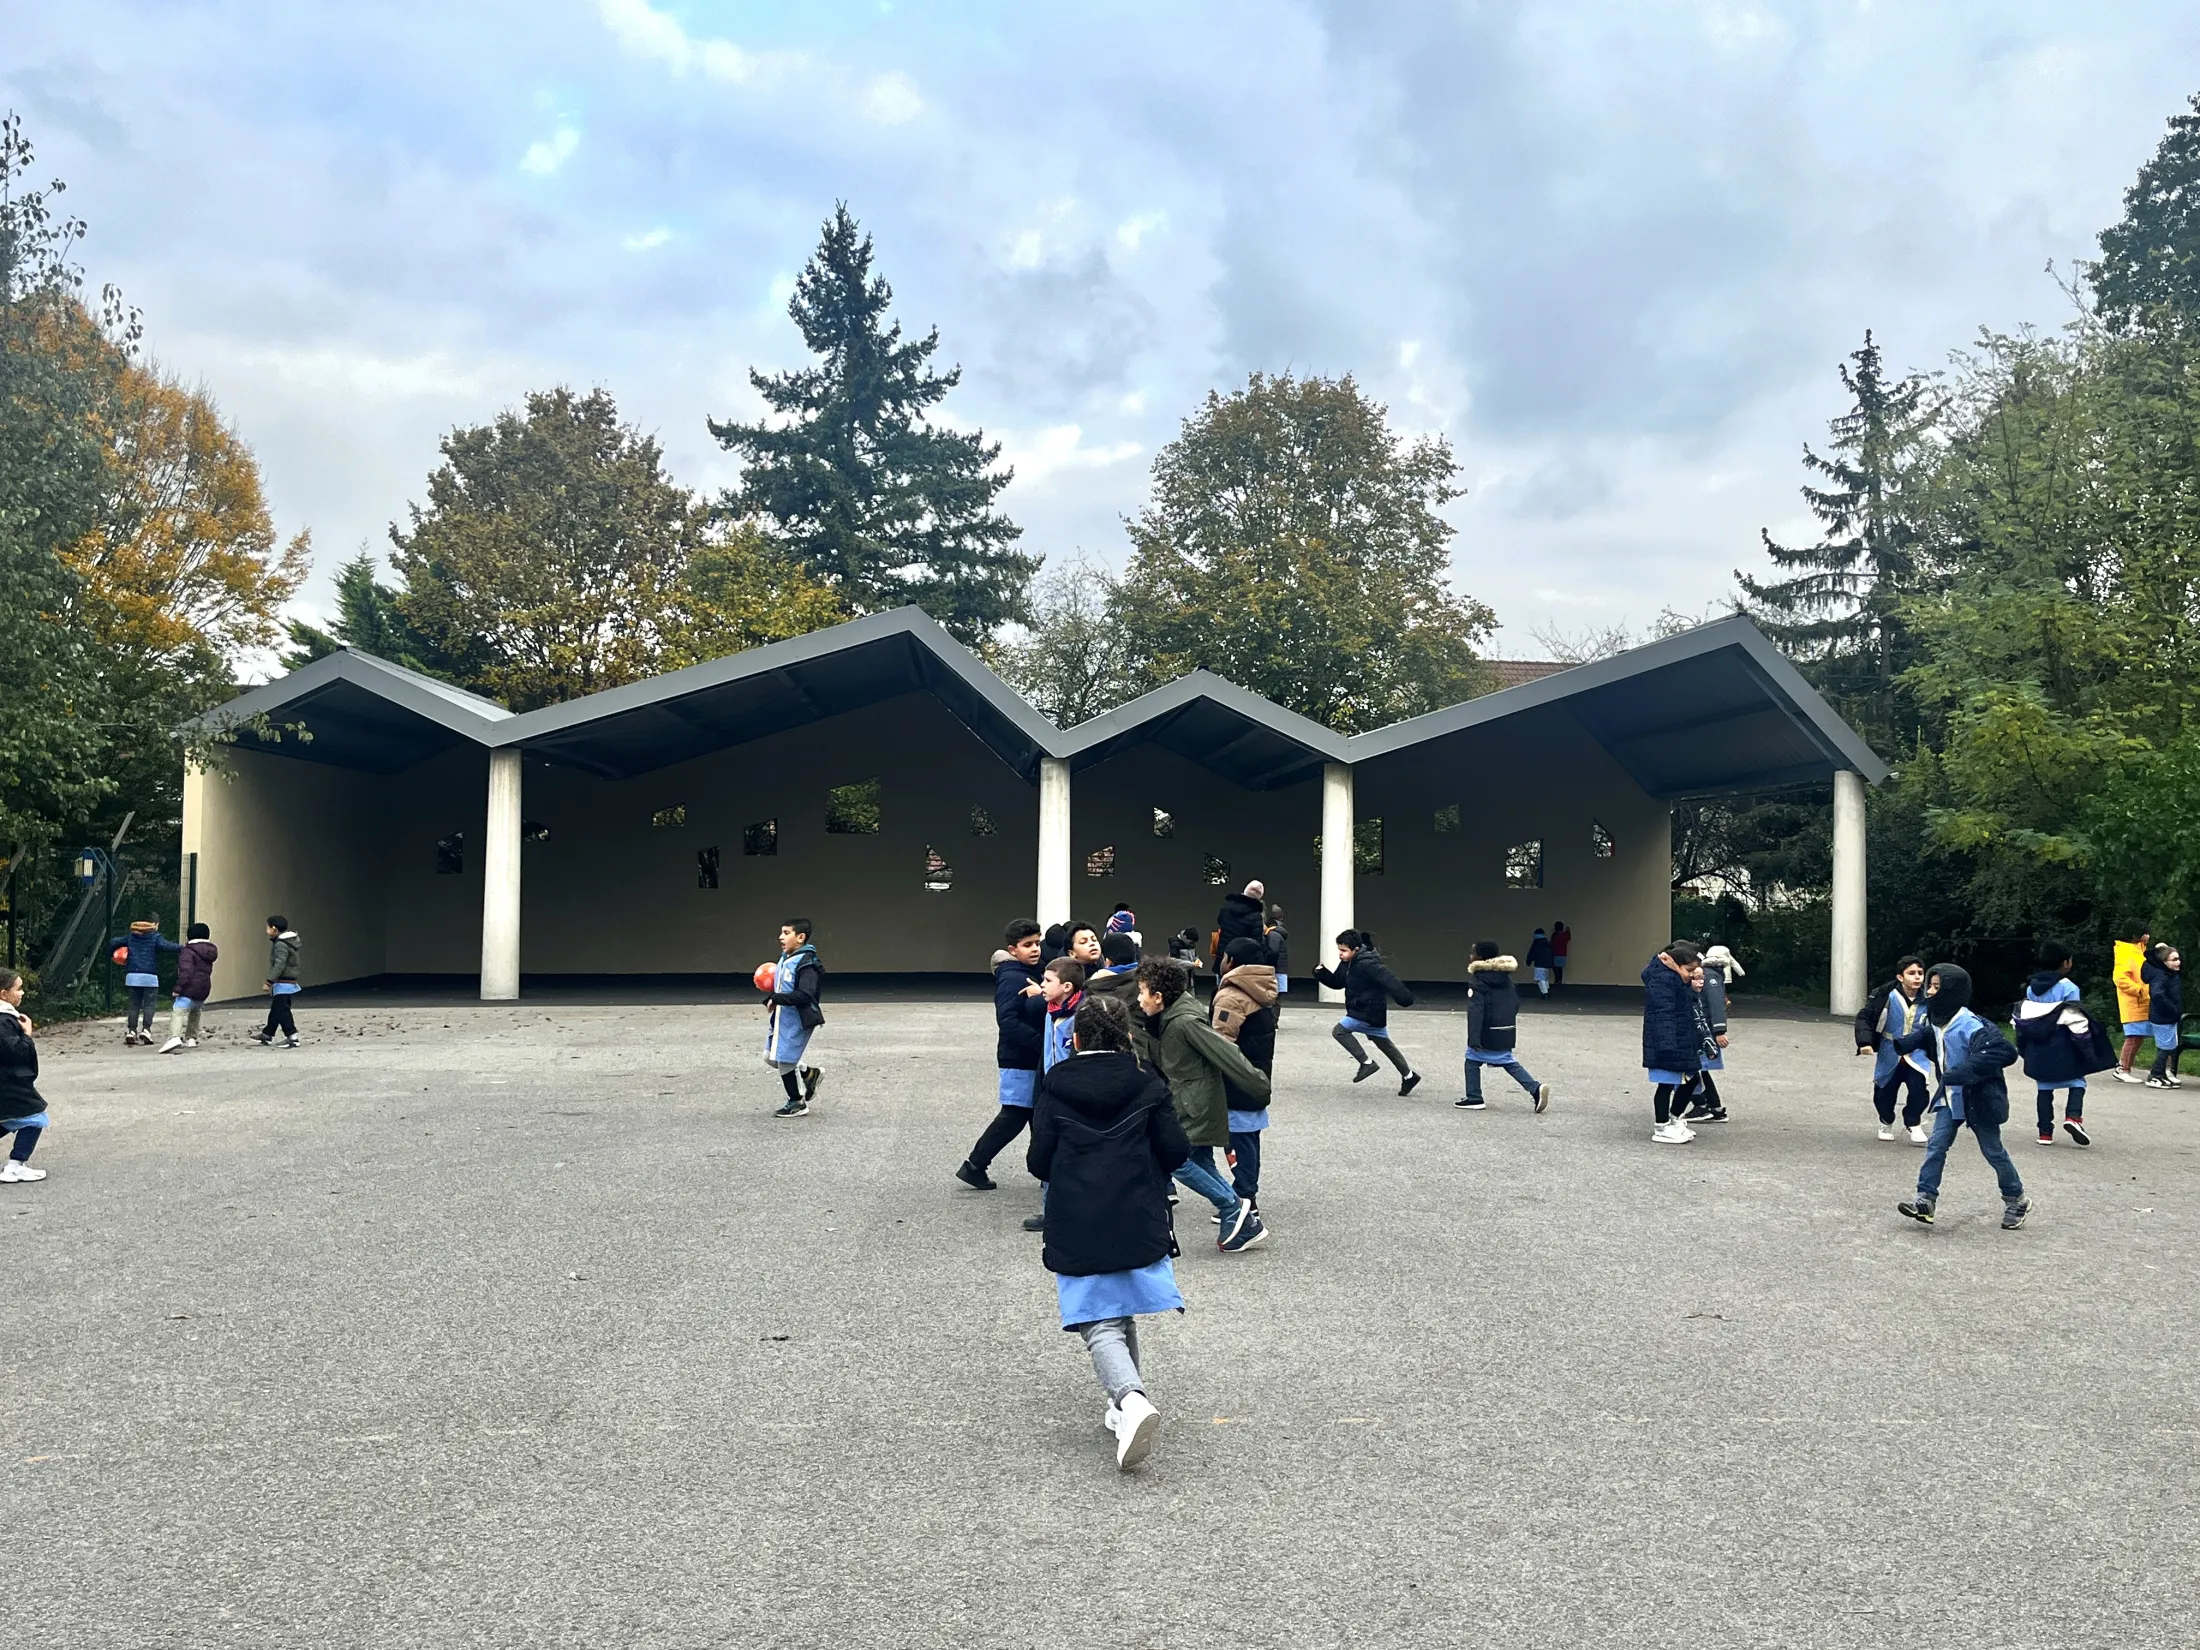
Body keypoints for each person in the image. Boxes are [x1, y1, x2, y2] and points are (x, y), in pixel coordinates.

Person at [1027, 993, 1187, 1470]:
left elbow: (1038, 1159)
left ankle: (1131, 1400)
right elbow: (1176, 1149)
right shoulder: (1147, 1080)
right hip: (1137, 1207)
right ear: (1127, 1036)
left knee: (1097, 1319)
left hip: (1078, 1211)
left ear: (1075, 1039)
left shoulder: (1057, 1083)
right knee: (1121, 1309)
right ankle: (1122, 1408)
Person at [1136, 959, 1271, 1251]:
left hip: (1194, 1105)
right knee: (1199, 1161)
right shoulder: (1166, 1016)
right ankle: (1243, 1219)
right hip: (1186, 1100)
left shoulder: (1184, 1021)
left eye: (1142, 992)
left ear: (1158, 996)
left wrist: (1258, 1085)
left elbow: (1226, 1052)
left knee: (1174, 1159)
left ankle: (1233, 1208)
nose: (1138, 998)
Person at [1898, 963, 2031, 1230]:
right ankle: (1925, 1200)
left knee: (1993, 1151)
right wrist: (1903, 1043)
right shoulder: (1936, 1019)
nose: (1930, 991)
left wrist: (1963, 1071)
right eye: (1930, 986)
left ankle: (2016, 1200)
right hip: (1950, 1097)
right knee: (1936, 1146)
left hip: (1979, 1099)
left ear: (1952, 991)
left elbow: (2004, 1052)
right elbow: (1930, 1035)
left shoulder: (1972, 1024)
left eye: (1937, 987)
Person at [956, 920, 1047, 1194]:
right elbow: (1007, 1020)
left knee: (1032, 1114)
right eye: (1027, 945)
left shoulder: (1032, 971)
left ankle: (1045, 1170)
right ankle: (975, 1164)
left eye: (1037, 943)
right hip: (1019, 1058)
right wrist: (1040, 1044)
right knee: (1016, 1114)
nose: (1035, 949)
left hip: (1027, 1056)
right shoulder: (1012, 977)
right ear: (1013, 949)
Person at [2014, 944, 2111, 1145]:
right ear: (2065, 963)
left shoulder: (2032, 988)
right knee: (2077, 1082)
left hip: (2039, 1044)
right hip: (2064, 1043)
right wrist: (2087, 1049)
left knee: (2044, 1087)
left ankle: (2045, 1132)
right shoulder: (2069, 988)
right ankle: (2073, 1117)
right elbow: (2074, 1017)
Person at [1210, 935, 1278, 1215]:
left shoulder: (1232, 996)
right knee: (1249, 1138)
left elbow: (1219, 1041)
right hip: (1255, 1075)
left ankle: (1245, 1198)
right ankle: (1246, 1193)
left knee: (1237, 1140)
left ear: (1231, 961)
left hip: (1234, 1078)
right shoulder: (1262, 989)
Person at [1312, 930, 1421, 1096]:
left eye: (1343, 950)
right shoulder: (1348, 962)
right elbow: (1338, 982)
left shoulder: (1368, 964)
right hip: (1363, 1010)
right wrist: (1321, 973)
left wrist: (1405, 998)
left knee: (1339, 1031)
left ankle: (1366, 1063)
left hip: (1368, 1011)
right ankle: (1409, 1076)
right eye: (1339, 950)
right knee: (1385, 1045)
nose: (1340, 954)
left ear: (1356, 949)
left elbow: (1390, 980)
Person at [1456, 941, 1550, 1112]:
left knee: (1472, 1060)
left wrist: (1474, 1038)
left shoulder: (1478, 980)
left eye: (1472, 953)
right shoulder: (1504, 977)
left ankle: (1474, 1097)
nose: (1470, 956)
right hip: (1505, 1027)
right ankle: (1535, 1089)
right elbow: (1514, 1003)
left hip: (1486, 1030)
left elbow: (1476, 1011)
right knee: (1504, 1060)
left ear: (1480, 957)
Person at [1854, 955, 1933, 1143]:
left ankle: (1913, 1122)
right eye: (1911, 973)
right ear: (1900, 977)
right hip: (1890, 1051)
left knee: (1919, 1089)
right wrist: (1865, 1042)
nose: (1917, 977)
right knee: (1884, 1092)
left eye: (1920, 973)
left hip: (1916, 1053)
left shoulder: (1929, 999)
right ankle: (1886, 1120)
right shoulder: (1885, 996)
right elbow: (1865, 1018)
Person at [760, 918, 825, 1118]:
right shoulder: (786, 958)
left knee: (785, 1061)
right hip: (782, 1019)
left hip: (798, 1020)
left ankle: (797, 1102)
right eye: (781, 932)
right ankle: (809, 1073)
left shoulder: (807, 964)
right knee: (769, 1057)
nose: (781, 937)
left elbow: (805, 994)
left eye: (786, 933)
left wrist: (776, 998)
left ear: (800, 937)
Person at [1642, 941, 1703, 1144]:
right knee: (1666, 1083)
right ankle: (1661, 1126)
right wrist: (1667, 1043)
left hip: (1681, 1039)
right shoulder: (1662, 979)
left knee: (1691, 1079)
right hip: (1668, 1042)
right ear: (1677, 964)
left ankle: (1675, 1118)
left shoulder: (1676, 978)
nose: (1692, 974)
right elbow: (1663, 1013)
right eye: (1690, 970)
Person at [1679, 944, 1742, 1124]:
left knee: (1694, 1069)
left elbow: (1715, 1005)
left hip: (1703, 1028)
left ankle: (1704, 1105)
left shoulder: (1709, 976)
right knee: (1701, 1069)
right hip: (1704, 1027)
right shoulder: (1714, 975)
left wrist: (1719, 1031)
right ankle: (1714, 1108)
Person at [0, 969, 49, 1183]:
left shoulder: (7, 1018)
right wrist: (27, 1034)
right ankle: (15, 1166)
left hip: (8, 1081)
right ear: (3, 994)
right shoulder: (4, 1021)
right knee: (34, 1117)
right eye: (18, 989)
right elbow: (14, 1052)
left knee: (8, 1117)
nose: (22, 993)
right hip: (9, 1081)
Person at [107, 918, 180, 1046]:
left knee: (134, 1004)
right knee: (149, 1005)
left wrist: (112, 954)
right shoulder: (155, 937)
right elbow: (168, 946)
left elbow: (113, 941)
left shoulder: (130, 937)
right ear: (154, 925)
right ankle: (146, 1030)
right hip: (150, 976)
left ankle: (131, 1031)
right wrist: (184, 948)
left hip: (132, 976)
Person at [159, 923, 219, 1054]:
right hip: (204, 987)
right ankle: (191, 1038)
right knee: (195, 1011)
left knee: (178, 1011)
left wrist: (178, 988)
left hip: (189, 988)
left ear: (189, 936)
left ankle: (175, 1037)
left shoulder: (188, 951)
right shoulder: (210, 951)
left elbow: (186, 972)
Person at [252, 917, 302, 1048]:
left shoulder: (280, 944)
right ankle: (267, 1034)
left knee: (282, 1010)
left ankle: (292, 1037)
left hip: (283, 981)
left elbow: (279, 964)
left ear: (274, 928)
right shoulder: (287, 942)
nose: (266, 930)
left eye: (267, 927)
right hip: (286, 981)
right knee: (276, 1009)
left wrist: (269, 981)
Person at [2112, 926, 2152, 1082]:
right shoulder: (2125, 951)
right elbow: (2120, 978)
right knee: (2134, 1036)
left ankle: (2126, 1068)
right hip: (2133, 1002)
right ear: (2135, 935)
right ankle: (2122, 1068)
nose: (2148, 936)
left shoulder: (2139, 950)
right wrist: (2140, 991)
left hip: (2143, 1001)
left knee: (2139, 1036)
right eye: (2145, 933)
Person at [2144, 943, 2184, 1088]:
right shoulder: (2160, 976)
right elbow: (2157, 995)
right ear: (2164, 962)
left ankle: (2161, 1074)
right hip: (2162, 1017)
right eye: (2174, 960)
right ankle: (2155, 1076)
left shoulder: (2170, 974)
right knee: (2165, 1047)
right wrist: (2172, 1009)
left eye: (2178, 959)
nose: (2178, 962)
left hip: (2169, 1017)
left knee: (2169, 1046)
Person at [1041, 957, 1086, 1073]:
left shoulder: (1083, 1014)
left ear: (1067, 987)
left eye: (1048, 981)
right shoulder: (1050, 1012)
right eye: (1043, 979)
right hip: (1050, 1078)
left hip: (1071, 1078)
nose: (1042, 985)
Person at [1213, 880, 1266, 972]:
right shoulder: (1256, 915)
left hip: (1223, 953)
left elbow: (1220, 921)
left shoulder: (1227, 907)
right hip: (1242, 958)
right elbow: (1257, 940)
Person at [1265, 904, 1290, 1002]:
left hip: (1276, 971)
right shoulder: (1278, 934)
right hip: (1280, 970)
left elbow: (1273, 952)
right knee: (1277, 997)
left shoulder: (1273, 935)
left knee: (1274, 998)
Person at [1524, 927, 1555, 996]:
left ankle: (1544, 993)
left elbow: (1531, 953)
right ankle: (1547, 989)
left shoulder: (1536, 944)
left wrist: (1528, 962)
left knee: (1540, 979)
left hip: (1539, 964)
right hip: (1547, 964)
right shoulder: (1547, 944)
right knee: (1545, 978)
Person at [1550, 921, 1571, 988]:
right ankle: (1559, 981)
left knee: (1555, 968)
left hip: (1555, 954)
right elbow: (1568, 937)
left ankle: (1557, 980)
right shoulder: (1564, 935)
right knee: (1559, 969)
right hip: (1563, 954)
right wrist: (1568, 930)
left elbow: (1552, 943)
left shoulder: (1555, 935)